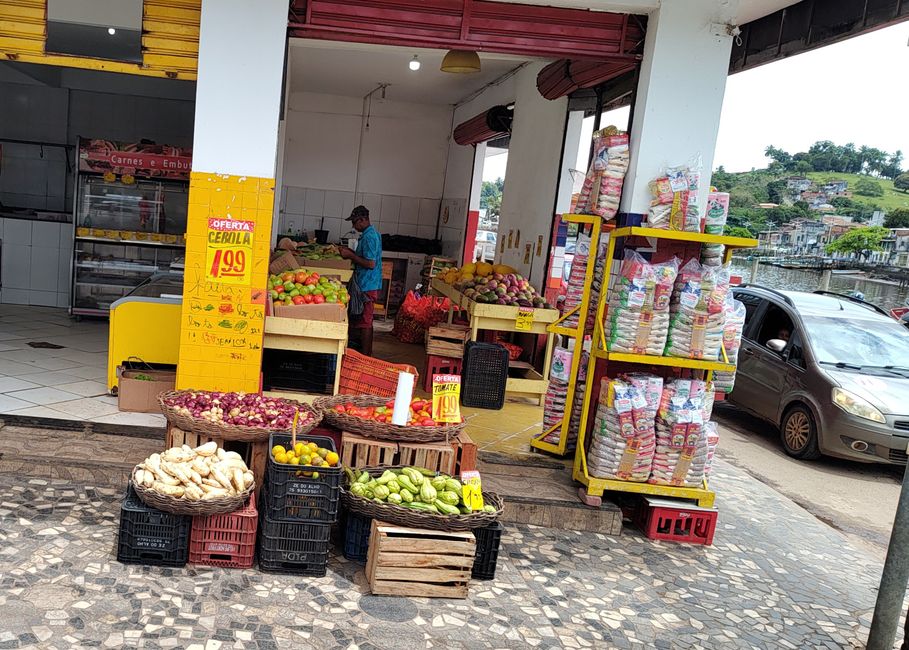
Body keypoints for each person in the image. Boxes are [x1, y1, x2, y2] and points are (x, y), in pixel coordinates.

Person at [339, 205, 382, 356]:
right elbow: (364, 258)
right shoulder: (369, 234)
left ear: (363, 220)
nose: (353, 226)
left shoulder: (370, 237)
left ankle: (365, 357)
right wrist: (349, 252)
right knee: (362, 319)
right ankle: (361, 353)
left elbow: (370, 264)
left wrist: (350, 256)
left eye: (355, 222)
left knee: (365, 322)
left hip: (367, 285)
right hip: (364, 283)